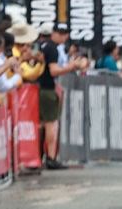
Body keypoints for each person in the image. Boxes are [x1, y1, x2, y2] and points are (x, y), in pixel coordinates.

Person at [35, 23, 86, 170]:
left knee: (45, 124)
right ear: (55, 33)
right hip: (47, 89)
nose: (64, 37)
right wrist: (71, 67)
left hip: (45, 88)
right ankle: (51, 157)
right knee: (52, 124)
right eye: (62, 34)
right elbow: (53, 71)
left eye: (66, 34)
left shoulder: (46, 46)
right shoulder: (52, 48)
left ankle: (44, 156)